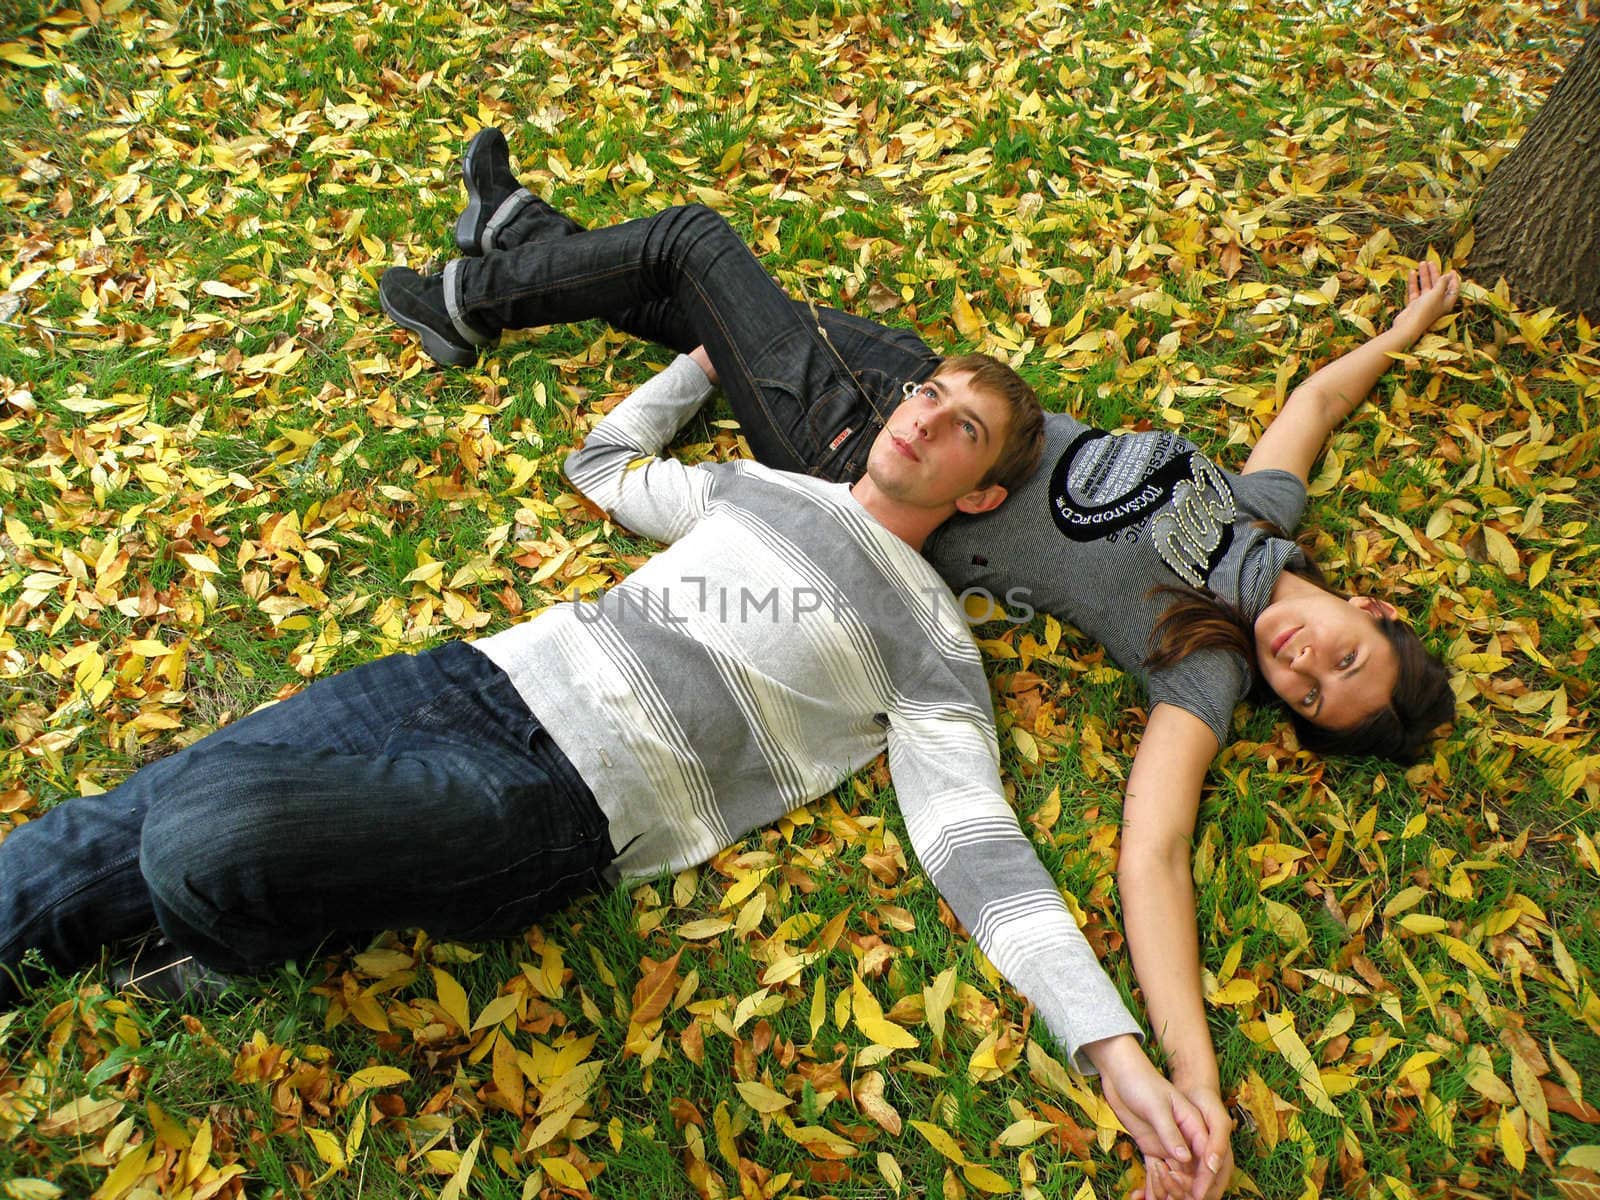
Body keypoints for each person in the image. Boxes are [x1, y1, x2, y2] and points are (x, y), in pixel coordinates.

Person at [376, 127, 1465, 1200]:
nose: (1302, 666)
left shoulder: (1200, 664)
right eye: (1343, 654)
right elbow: (1316, 403)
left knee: (693, 252)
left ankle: (467, 297)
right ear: (1366, 605)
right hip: (949, 408)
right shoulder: (1265, 509)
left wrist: (1192, 1073)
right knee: (714, 316)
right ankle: (523, 233)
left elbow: (1157, 851)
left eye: (1312, 698)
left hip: (873, 464)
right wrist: (1411, 322)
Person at [0, 292, 1222, 1187]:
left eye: (962, 428)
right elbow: (605, 464)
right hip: (467, 680)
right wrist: (694, 361)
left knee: (211, 828)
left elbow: (980, 855)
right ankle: (229, 898)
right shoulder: (762, 490)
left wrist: (1113, 1051)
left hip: (547, 799)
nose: (926, 420)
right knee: (101, 830)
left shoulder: (937, 652)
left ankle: (235, 935)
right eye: (927, 394)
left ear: (979, 495)